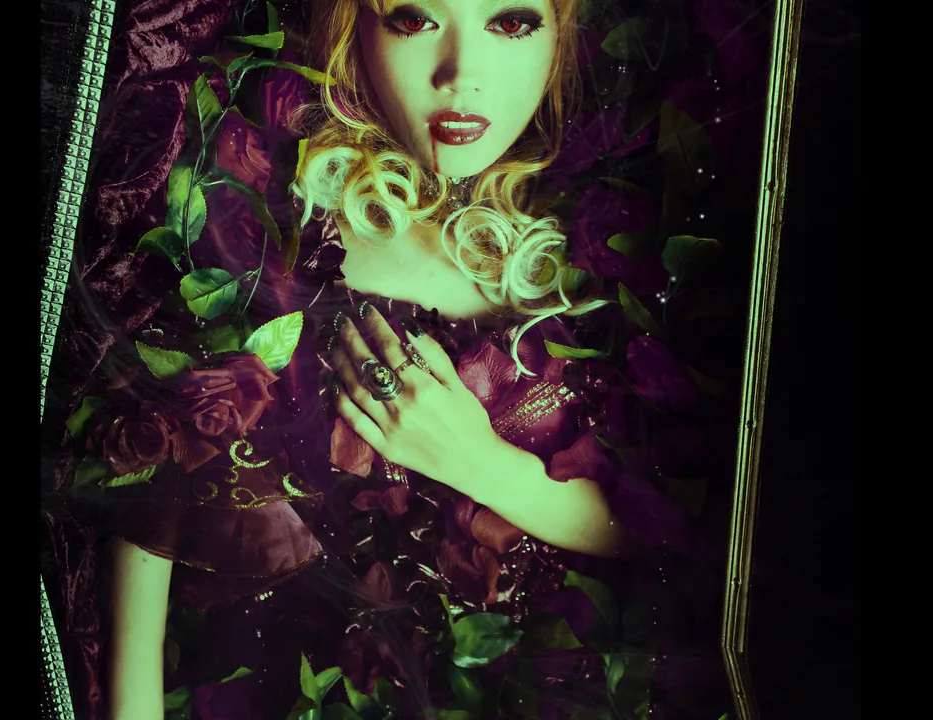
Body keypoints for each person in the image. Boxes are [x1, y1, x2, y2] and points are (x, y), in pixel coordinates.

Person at [43, 0, 752, 718]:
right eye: (414, 19)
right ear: (353, 26)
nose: (461, 76)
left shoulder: (632, 233)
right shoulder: (269, 215)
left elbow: (714, 547)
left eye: (510, 22)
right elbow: (153, 496)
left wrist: (485, 467)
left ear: (563, 33)